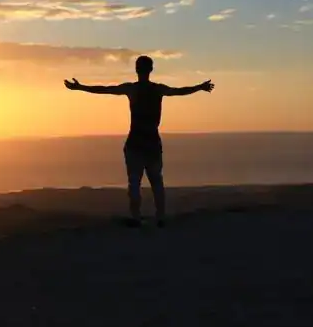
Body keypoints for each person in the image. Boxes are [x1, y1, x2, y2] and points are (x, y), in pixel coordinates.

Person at [64, 55, 214, 228]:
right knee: (156, 181)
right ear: (151, 69)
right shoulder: (157, 89)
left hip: (135, 142)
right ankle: (160, 218)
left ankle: (137, 218)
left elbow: (105, 89)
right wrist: (200, 87)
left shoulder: (132, 89)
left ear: (137, 69)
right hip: (151, 143)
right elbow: (180, 91)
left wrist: (80, 87)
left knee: (134, 183)